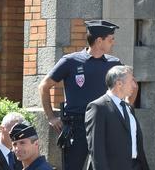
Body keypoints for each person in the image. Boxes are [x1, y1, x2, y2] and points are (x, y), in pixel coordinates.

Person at [37, 20, 122, 170]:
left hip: (105, 123)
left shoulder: (114, 64)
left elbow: (129, 88)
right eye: (110, 39)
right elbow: (44, 86)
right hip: (77, 125)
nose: (113, 43)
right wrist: (51, 116)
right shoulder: (70, 61)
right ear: (99, 40)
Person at [84, 65, 149, 170]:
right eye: (131, 80)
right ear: (119, 83)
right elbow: (96, 149)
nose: (134, 85)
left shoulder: (128, 108)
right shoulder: (98, 107)